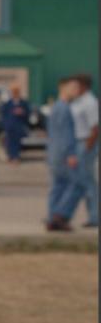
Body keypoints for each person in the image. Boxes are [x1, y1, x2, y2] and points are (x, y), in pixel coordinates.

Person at [56, 73, 99, 228]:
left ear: (84, 86)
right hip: (76, 143)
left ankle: (95, 217)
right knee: (80, 181)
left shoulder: (90, 102)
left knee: (87, 181)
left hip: (84, 142)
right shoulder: (77, 101)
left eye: (76, 86)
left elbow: (95, 129)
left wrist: (87, 149)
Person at [45, 78, 79, 231]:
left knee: (58, 186)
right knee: (73, 184)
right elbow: (66, 133)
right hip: (63, 152)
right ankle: (60, 215)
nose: (76, 91)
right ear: (64, 88)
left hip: (54, 151)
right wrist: (71, 153)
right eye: (73, 88)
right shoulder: (64, 108)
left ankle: (52, 217)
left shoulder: (56, 107)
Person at [0, 85, 30, 163]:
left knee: (17, 142)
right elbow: (3, 114)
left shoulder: (23, 103)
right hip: (10, 126)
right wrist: (5, 124)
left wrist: (22, 112)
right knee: (9, 142)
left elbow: (27, 113)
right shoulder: (8, 103)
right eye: (14, 92)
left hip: (19, 126)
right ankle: (10, 156)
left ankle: (16, 157)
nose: (15, 93)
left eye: (16, 92)